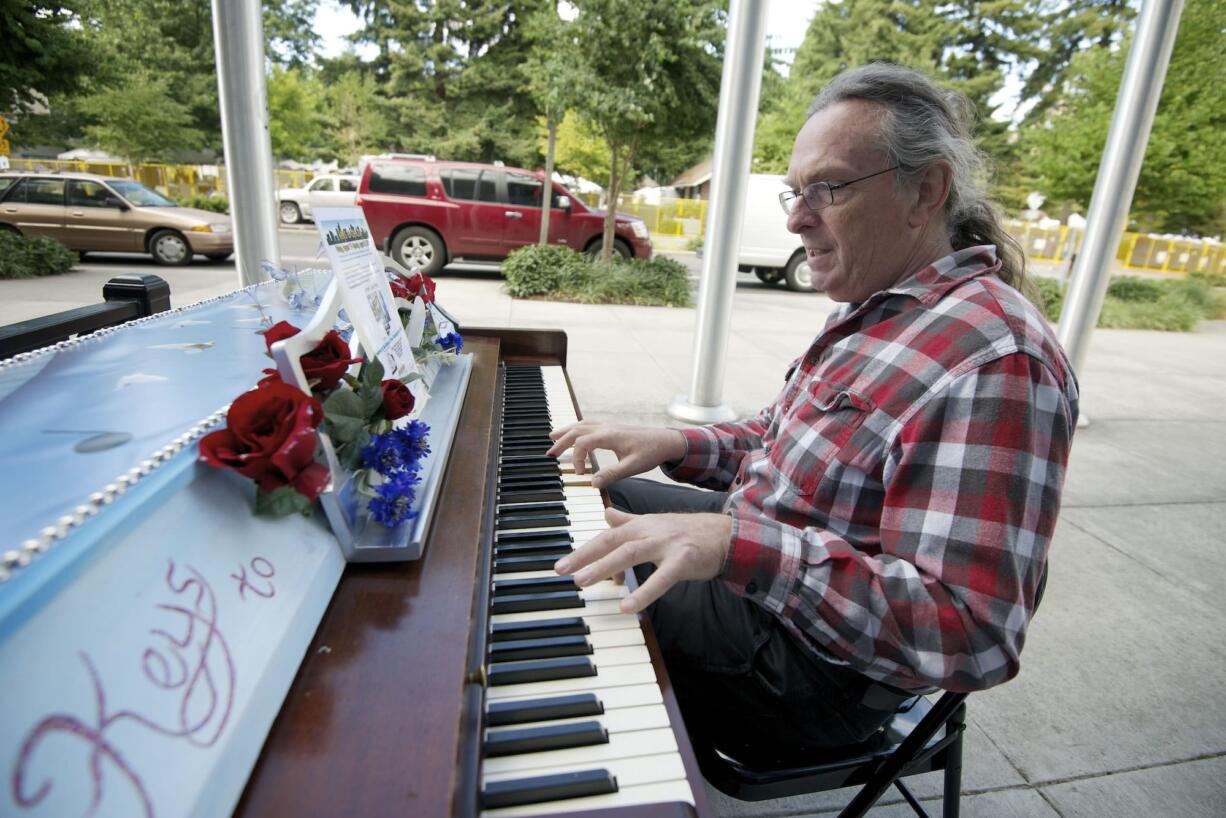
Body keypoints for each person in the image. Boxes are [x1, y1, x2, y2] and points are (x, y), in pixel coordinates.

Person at [547, 62, 1079, 765]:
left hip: (806, 675)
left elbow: (971, 632)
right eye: (794, 192)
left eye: (826, 189)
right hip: (761, 581)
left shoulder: (995, 362)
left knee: (553, 586)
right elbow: (784, 440)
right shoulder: (882, 304)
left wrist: (734, 546)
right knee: (580, 501)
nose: (797, 218)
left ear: (926, 189)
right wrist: (674, 441)